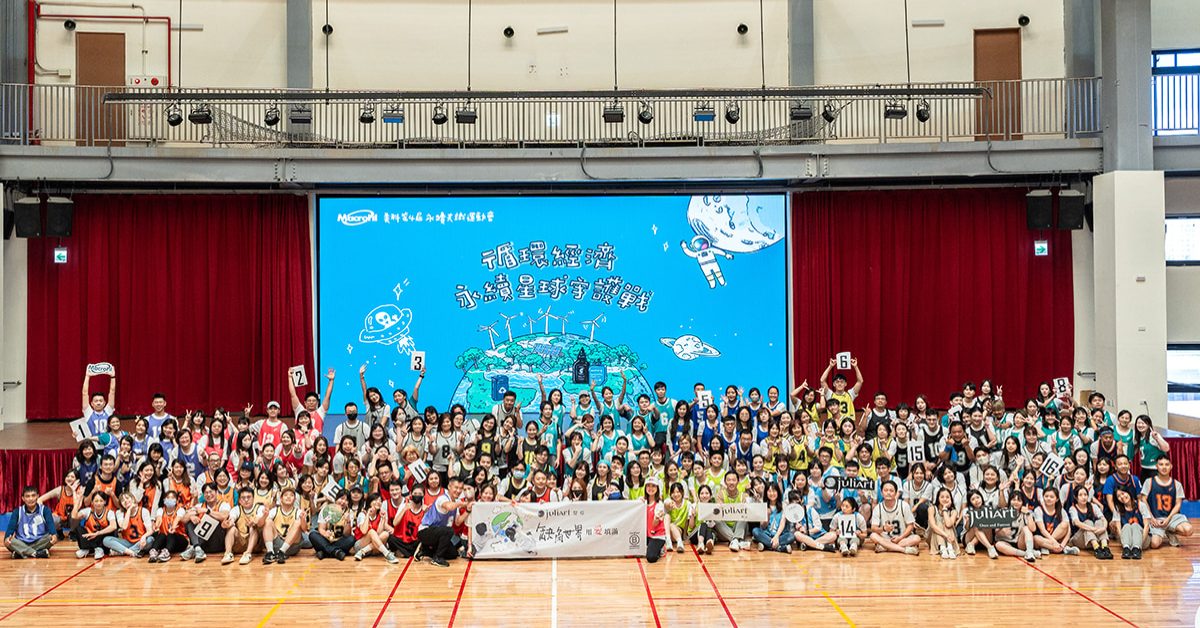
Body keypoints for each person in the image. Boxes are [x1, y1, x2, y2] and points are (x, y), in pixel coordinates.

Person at [417, 478, 474, 567]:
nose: (458, 491)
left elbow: (458, 522)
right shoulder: (443, 498)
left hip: (438, 534)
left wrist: (467, 510)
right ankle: (437, 558)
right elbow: (449, 506)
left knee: (452, 554)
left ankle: (425, 550)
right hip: (425, 531)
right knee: (449, 530)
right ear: (449, 487)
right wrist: (463, 504)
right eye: (456, 488)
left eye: (460, 488)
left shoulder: (456, 502)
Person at [1140, 456, 1193, 549]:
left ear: (1171, 466)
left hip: (1171, 518)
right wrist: (1151, 518)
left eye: (1167, 464)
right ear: (1156, 466)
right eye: (1161, 464)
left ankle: (1170, 530)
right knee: (1154, 544)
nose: (1164, 467)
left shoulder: (1177, 484)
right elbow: (1143, 500)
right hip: (1155, 518)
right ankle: (1164, 531)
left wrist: (1168, 519)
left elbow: (1178, 504)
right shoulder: (1149, 482)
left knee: (1188, 530)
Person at [869, 480, 920, 556]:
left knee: (917, 538)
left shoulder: (904, 505)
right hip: (885, 538)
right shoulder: (878, 508)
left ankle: (885, 547)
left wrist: (900, 538)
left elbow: (910, 525)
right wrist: (883, 529)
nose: (888, 493)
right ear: (882, 493)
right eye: (886, 490)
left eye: (891, 491)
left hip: (902, 538)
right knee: (872, 536)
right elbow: (873, 528)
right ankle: (904, 550)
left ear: (896, 493)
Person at [6, 486, 57, 559]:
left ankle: (21, 552)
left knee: (50, 537)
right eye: (27, 496)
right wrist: (7, 539)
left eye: (33, 495)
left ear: (37, 496)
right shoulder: (17, 511)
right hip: (22, 542)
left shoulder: (45, 510)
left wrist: (54, 536)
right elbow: (9, 531)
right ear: (23, 498)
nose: (31, 499)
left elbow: (52, 529)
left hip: (39, 542)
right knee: (10, 541)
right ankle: (36, 553)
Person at [1067, 485, 1112, 560]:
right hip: (1079, 539)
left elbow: (1104, 519)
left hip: (1093, 538)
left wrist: (1104, 528)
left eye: (1085, 495)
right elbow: (1077, 523)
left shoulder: (1093, 506)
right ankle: (1097, 549)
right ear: (1076, 497)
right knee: (1088, 522)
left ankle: (1105, 548)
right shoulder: (1073, 508)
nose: (1084, 497)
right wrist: (1093, 529)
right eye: (1080, 495)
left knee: (1099, 521)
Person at [353, 493, 400, 563]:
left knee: (385, 534)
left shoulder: (379, 515)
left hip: (372, 548)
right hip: (360, 544)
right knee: (371, 531)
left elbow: (378, 534)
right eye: (375, 500)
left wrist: (383, 519)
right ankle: (387, 554)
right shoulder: (362, 514)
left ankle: (363, 551)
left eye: (380, 500)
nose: (378, 502)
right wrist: (368, 514)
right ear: (370, 502)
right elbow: (364, 531)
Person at [105, 492, 152, 558]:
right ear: (121, 504)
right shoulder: (119, 512)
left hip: (140, 541)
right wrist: (129, 510)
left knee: (150, 539)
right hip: (127, 542)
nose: (126, 501)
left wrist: (144, 537)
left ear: (133, 499)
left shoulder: (143, 511)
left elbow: (150, 530)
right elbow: (124, 526)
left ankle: (123, 552)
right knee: (106, 540)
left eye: (127, 498)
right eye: (123, 500)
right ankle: (130, 551)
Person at [289, 367, 335, 433]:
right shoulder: (299, 410)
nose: (311, 402)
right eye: (309, 401)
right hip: (300, 439)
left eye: (314, 401)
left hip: (316, 439)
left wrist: (331, 381)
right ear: (305, 402)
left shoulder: (320, 412)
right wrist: (290, 378)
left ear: (317, 402)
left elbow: (327, 396)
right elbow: (293, 395)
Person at [73, 492, 117, 560]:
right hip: (91, 537)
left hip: (101, 537)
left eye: (101, 501)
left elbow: (114, 526)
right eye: (96, 501)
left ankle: (98, 549)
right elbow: (74, 516)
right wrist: (77, 502)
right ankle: (86, 549)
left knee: (110, 532)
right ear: (92, 502)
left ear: (105, 502)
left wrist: (97, 533)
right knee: (78, 528)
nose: (98, 503)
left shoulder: (109, 512)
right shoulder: (88, 511)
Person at [819, 356, 863, 424]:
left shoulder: (850, 394)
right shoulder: (830, 395)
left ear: (845, 384)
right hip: (833, 425)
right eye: (837, 382)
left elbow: (860, 381)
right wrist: (830, 366)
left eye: (842, 382)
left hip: (847, 425)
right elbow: (822, 381)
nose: (839, 384)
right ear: (834, 384)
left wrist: (855, 366)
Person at [1113, 486, 1150, 559]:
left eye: (1123, 493)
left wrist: (1139, 543)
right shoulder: (1118, 509)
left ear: (1128, 492)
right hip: (1127, 541)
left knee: (1135, 525)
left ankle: (1136, 549)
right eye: (1119, 496)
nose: (1122, 497)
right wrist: (1124, 543)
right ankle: (1126, 549)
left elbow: (1147, 526)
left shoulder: (1141, 505)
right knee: (1126, 525)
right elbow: (1118, 529)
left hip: (1142, 538)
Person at [81, 366, 118, 437]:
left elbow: (112, 392)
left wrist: (113, 377)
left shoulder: (108, 411)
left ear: (104, 403)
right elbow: (84, 393)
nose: (98, 403)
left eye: (101, 401)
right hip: (92, 443)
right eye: (96, 401)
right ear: (92, 404)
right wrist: (87, 376)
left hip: (107, 442)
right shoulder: (88, 412)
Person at [644, 479, 668, 563]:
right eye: (648, 485)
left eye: (653, 486)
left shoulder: (659, 505)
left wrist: (656, 518)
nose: (650, 488)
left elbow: (654, 524)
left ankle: (661, 548)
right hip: (645, 535)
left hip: (657, 535)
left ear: (657, 488)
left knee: (651, 557)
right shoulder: (643, 502)